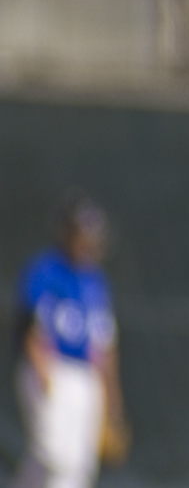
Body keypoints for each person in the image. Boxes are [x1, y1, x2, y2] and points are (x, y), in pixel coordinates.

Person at [11, 193, 127, 488]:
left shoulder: (95, 281)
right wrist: (42, 372)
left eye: (93, 236)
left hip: (86, 377)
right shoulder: (46, 271)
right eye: (82, 234)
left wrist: (113, 402)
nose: (88, 242)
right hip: (52, 368)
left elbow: (104, 345)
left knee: (79, 468)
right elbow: (31, 328)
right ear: (67, 232)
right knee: (55, 457)